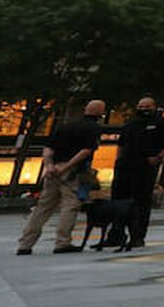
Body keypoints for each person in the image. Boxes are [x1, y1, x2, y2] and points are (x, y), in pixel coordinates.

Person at [16, 100, 107, 255]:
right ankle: (62, 242)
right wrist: (68, 167)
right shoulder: (93, 128)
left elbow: (48, 148)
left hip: (53, 170)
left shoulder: (64, 125)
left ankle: (25, 244)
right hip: (72, 171)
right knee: (70, 205)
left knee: (42, 207)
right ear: (100, 112)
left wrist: (50, 166)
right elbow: (85, 151)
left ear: (85, 109)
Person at [111, 96, 164, 248]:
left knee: (140, 203)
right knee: (118, 201)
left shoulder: (162, 123)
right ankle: (116, 235)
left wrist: (159, 157)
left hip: (144, 167)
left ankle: (137, 236)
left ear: (154, 107)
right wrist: (117, 161)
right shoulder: (131, 124)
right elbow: (121, 144)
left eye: (147, 106)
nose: (143, 109)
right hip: (124, 166)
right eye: (141, 106)